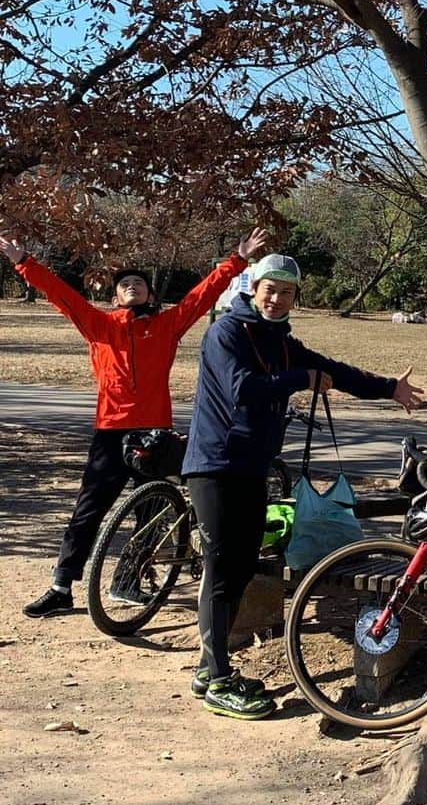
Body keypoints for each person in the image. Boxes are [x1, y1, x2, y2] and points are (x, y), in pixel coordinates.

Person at [181, 253, 424, 721]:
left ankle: (209, 669)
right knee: (222, 567)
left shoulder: (283, 342)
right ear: (253, 288)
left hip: (253, 467)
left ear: (294, 297)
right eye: (269, 289)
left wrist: (390, 387)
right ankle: (216, 676)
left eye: (286, 292)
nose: (276, 299)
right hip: (215, 465)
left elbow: (337, 371)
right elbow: (242, 388)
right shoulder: (226, 332)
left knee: (242, 564)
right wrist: (301, 379)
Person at [0, 228, 268, 618]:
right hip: (110, 432)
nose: (132, 287)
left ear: (151, 295)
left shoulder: (167, 325)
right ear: (114, 297)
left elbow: (202, 294)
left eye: (139, 283)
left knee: (152, 512)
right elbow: (62, 295)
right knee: (87, 512)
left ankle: (129, 580)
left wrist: (238, 260)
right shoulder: (99, 326)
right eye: (124, 284)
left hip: (154, 434)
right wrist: (23, 262)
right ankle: (61, 585)